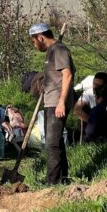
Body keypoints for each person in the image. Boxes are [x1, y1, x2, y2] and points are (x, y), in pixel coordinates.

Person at [29, 23, 75, 185]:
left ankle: (52, 183)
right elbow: (56, 77)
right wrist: (44, 84)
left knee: (52, 143)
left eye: (34, 41)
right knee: (56, 142)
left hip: (57, 102)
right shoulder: (51, 51)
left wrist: (61, 102)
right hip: (50, 101)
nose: (34, 45)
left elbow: (67, 75)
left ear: (40, 37)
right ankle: (62, 178)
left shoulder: (59, 50)